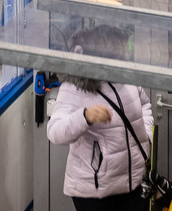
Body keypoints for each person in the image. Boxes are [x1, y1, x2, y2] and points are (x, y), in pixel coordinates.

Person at [46, 31, 153, 211]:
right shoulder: (74, 88)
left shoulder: (127, 78)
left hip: (132, 183)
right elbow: (55, 132)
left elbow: (145, 105)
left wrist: (145, 136)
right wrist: (85, 117)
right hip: (93, 191)